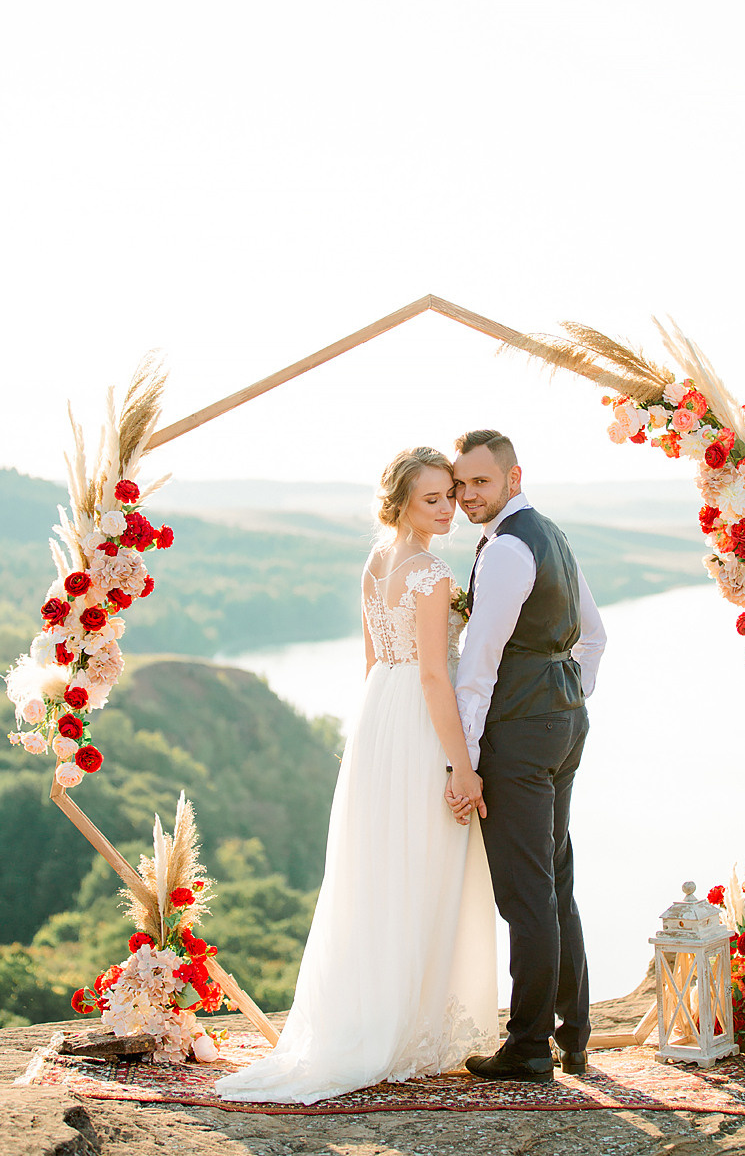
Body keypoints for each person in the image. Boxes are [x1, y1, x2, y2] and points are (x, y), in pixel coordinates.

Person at [216, 446, 497, 1105]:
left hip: (379, 719)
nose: (448, 507)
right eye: (433, 499)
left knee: (379, 868)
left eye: (451, 496)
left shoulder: (376, 562)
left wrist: (379, 732)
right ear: (400, 502)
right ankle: (409, 1030)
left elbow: (374, 658)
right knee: (423, 863)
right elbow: (433, 674)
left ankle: (386, 1022)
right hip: (420, 722)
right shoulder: (429, 571)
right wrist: (460, 764)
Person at [447, 430, 606, 1083]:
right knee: (555, 879)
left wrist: (466, 758)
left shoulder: (508, 549)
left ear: (514, 478)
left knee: (526, 892)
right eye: (459, 486)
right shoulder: (552, 536)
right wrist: (565, 691)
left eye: (480, 482)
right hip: (564, 722)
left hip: (521, 730)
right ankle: (572, 1034)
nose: (467, 497)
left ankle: (529, 1046)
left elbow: (478, 662)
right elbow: (593, 637)